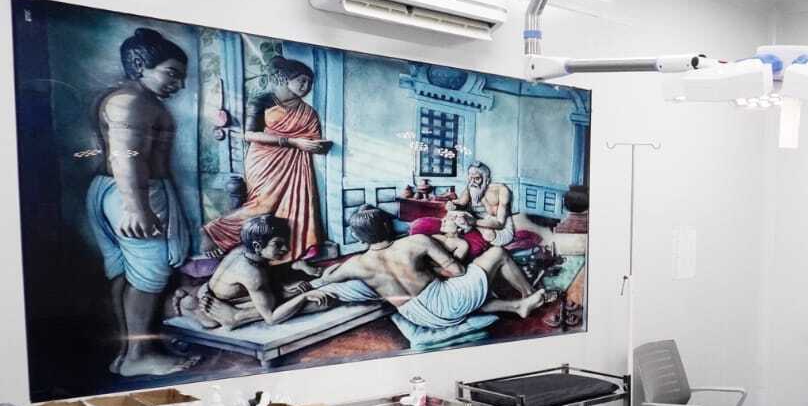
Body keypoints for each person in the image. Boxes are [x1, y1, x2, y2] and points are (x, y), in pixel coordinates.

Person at [86, 27, 199, 377]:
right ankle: (138, 355)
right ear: (139, 66)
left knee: (127, 272)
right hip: (134, 193)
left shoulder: (133, 100)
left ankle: (127, 354)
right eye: (171, 74)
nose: (179, 84)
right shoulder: (131, 102)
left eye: (181, 77)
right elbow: (126, 156)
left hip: (117, 190)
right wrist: (138, 207)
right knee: (149, 275)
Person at [319, 206, 546, 330]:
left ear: (359, 238)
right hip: (445, 302)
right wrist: (431, 271)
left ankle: (517, 306)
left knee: (463, 296)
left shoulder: (356, 264)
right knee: (497, 253)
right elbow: (458, 271)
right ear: (387, 226)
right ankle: (529, 294)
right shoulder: (415, 242)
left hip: (417, 315)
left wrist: (337, 267)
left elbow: (327, 277)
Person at [203, 57, 331, 261]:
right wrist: (292, 142)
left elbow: (312, 138)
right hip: (264, 160)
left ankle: (287, 251)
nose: (306, 86)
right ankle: (213, 232)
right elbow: (249, 135)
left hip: (296, 164)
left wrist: (316, 146)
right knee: (262, 206)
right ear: (285, 79)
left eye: (309, 82)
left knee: (289, 208)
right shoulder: (262, 101)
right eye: (302, 80)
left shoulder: (308, 112)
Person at [176, 214, 334, 330]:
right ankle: (232, 317)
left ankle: (192, 304)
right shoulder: (253, 274)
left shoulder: (243, 251)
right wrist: (303, 297)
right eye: (278, 244)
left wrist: (289, 279)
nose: (286, 249)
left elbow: (266, 272)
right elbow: (271, 318)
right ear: (258, 246)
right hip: (219, 309)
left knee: (295, 290)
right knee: (318, 303)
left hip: (214, 294)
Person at [449, 162, 516, 246]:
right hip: (477, 222)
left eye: (477, 178)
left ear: (487, 180)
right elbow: (461, 202)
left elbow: (500, 224)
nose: (472, 182)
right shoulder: (471, 186)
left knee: (488, 234)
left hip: (500, 229)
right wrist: (452, 205)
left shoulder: (501, 190)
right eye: (470, 178)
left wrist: (474, 222)